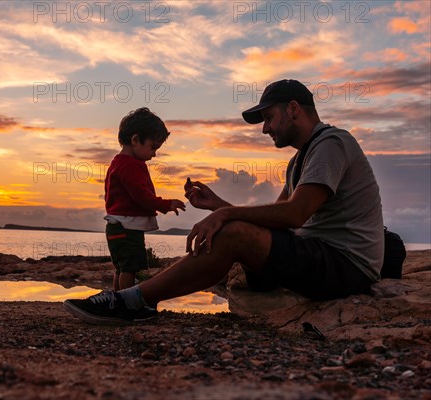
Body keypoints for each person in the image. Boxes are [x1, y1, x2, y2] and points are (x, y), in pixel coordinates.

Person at [64, 79, 384, 324]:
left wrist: (226, 216)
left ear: (294, 109)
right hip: (320, 258)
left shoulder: (331, 143)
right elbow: (278, 218)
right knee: (234, 230)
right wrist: (218, 205)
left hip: (343, 266)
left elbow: (295, 214)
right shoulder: (300, 160)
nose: (265, 129)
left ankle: (132, 302)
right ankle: (135, 299)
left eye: (269, 118)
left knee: (232, 232)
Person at [101, 107, 186, 292]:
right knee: (130, 269)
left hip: (117, 226)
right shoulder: (131, 165)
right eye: (153, 147)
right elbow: (140, 195)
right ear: (135, 140)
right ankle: (126, 302)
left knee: (122, 268)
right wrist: (166, 204)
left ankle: (117, 299)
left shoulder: (117, 162)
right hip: (127, 228)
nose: (154, 154)